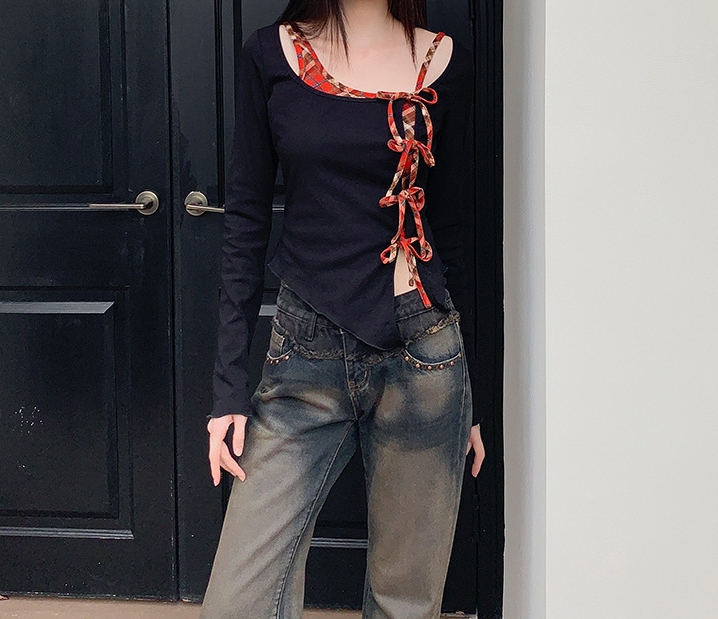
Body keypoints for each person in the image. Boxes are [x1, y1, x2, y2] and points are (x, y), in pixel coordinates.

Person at [200, 1, 486, 617]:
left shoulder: (445, 61)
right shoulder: (272, 54)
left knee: (404, 603)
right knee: (238, 603)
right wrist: (228, 390)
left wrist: (474, 399)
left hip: (426, 358)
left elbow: (453, 231)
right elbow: (245, 221)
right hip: (305, 356)